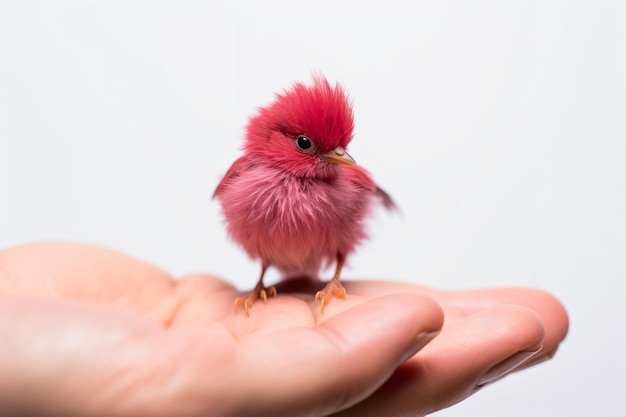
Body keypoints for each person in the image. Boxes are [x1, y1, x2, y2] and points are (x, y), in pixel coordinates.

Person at [0, 242, 568, 416]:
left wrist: (338, 277)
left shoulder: (342, 176)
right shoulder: (252, 175)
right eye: (309, 144)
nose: (337, 157)